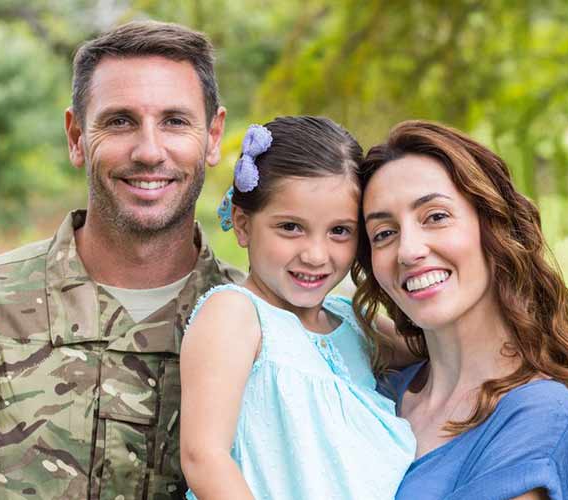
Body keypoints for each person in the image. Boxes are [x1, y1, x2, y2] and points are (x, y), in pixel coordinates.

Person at [0, 21, 243, 500]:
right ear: (76, 137)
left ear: (214, 136)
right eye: (119, 121)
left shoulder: (262, 329)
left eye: (175, 121)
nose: (149, 150)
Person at [352, 120, 568, 500]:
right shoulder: (372, 392)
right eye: (384, 233)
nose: (408, 250)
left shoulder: (541, 416)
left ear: (493, 226)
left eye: (436, 216)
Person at [179, 116, 417, 499]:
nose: (315, 255)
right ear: (243, 225)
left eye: (340, 231)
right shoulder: (236, 315)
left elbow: (441, 351)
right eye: (291, 227)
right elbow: (204, 457)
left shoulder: (354, 322)